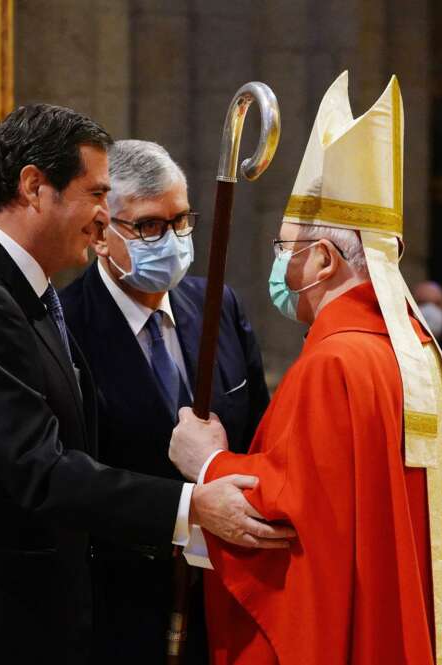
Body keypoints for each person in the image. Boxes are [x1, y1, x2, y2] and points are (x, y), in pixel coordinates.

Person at [0, 104, 292, 665]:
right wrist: (191, 504)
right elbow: (40, 468)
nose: (100, 218)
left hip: (28, 612)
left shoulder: (18, 286)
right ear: (35, 187)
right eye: (94, 195)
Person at [169, 72, 442, 665]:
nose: (281, 266)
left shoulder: (335, 363)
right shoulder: (421, 358)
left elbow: (285, 520)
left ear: (322, 259)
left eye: (285, 248)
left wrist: (209, 462)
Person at [59, 140, 269, 663]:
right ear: (102, 231)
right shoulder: (62, 326)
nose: (172, 239)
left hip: (226, 592)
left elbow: (261, 431)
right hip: (117, 602)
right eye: (149, 226)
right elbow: (69, 475)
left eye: (181, 221)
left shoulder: (217, 302)